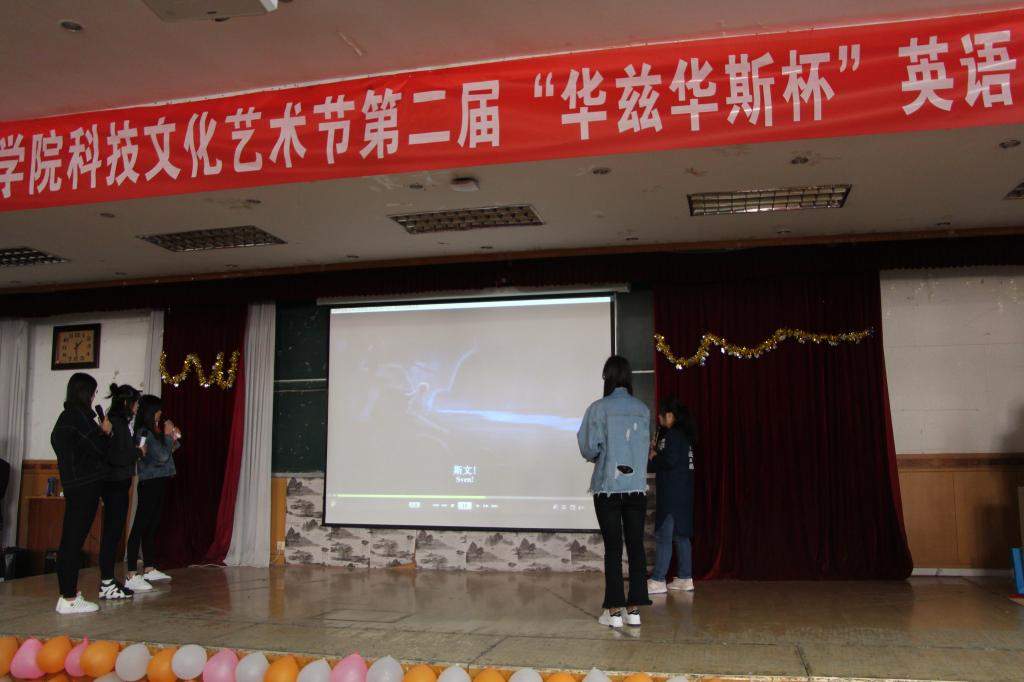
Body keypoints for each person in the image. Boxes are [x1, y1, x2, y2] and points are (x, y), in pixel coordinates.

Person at [577, 355, 652, 627]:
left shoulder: (598, 409)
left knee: (613, 547)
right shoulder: (642, 410)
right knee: (636, 546)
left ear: (607, 378)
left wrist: (603, 455)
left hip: (607, 487)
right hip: (636, 488)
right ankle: (634, 609)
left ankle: (614, 611)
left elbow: (588, 448)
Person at [50, 373, 111, 614]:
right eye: (93, 392)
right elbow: (98, 449)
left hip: (73, 485)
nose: (94, 397)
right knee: (73, 542)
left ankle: (67, 595)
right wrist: (105, 432)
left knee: (69, 541)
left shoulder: (65, 417)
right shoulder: (78, 417)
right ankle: (69, 597)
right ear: (85, 393)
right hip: (85, 486)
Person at [124, 395, 179, 592]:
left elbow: (167, 452)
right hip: (149, 482)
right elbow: (161, 456)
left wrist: (172, 438)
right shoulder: (144, 432)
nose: (160, 413)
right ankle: (131, 572)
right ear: (150, 411)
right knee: (140, 525)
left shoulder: (155, 431)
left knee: (152, 525)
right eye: (157, 409)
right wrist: (167, 435)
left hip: (160, 480)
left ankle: (149, 568)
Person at [647, 397, 697, 594]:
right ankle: (685, 577)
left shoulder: (673, 435)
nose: (659, 418)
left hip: (672, 495)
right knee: (680, 535)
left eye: (662, 415)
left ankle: (658, 579)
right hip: (684, 493)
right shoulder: (684, 436)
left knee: (664, 535)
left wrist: (654, 455)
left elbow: (668, 461)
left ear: (670, 415)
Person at [98, 384, 142, 600]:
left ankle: (109, 581)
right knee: (111, 534)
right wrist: (138, 452)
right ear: (126, 402)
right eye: (135, 402)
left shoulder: (121, 423)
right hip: (114, 483)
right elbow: (117, 456)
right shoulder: (117, 423)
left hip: (119, 483)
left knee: (114, 534)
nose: (137, 407)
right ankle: (106, 583)